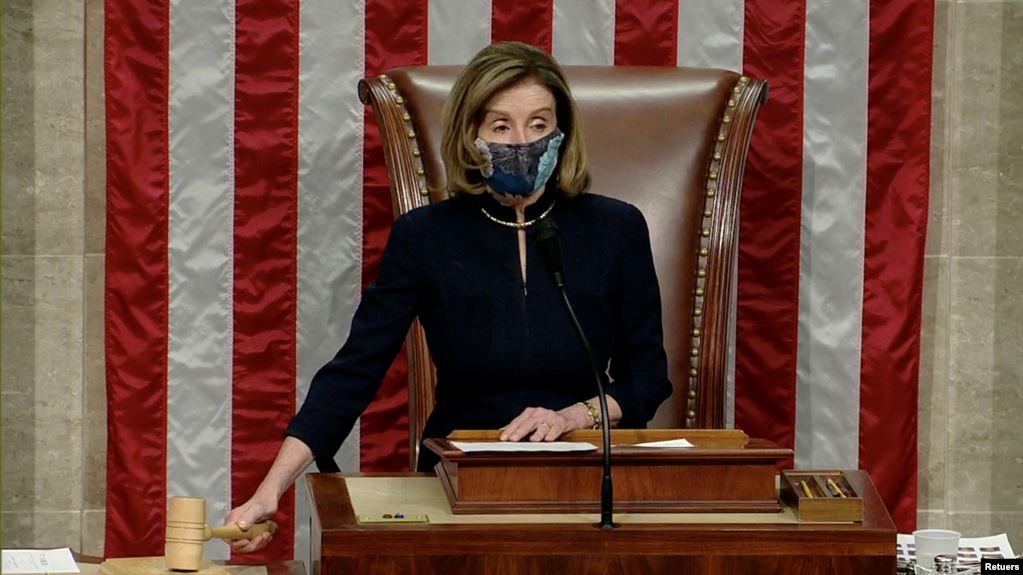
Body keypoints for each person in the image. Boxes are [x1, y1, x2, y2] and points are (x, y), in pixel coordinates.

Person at [226, 41, 671, 552]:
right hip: (458, 481)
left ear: (562, 133)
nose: (522, 142)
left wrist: (573, 416)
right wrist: (269, 489)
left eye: (539, 124)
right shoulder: (426, 236)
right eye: (501, 126)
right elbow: (353, 372)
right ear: (471, 135)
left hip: (583, 476)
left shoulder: (616, 227)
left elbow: (648, 379)